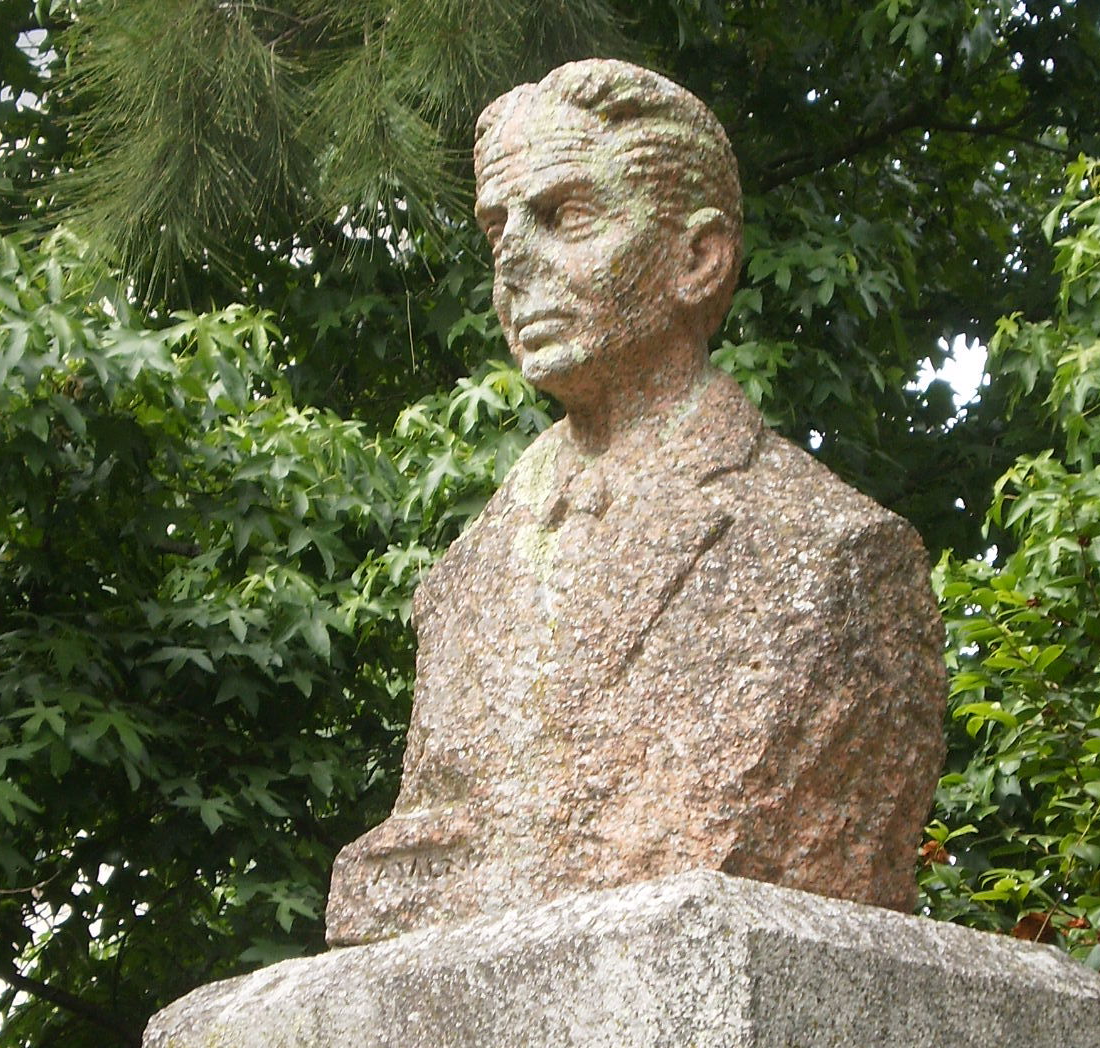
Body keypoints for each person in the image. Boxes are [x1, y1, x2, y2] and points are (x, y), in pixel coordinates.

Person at [326, 60, 945, 944]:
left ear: (697, 257)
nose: (514, 265)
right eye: (498, 229)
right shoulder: (466, 575)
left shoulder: (832, 554)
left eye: (564, 216)